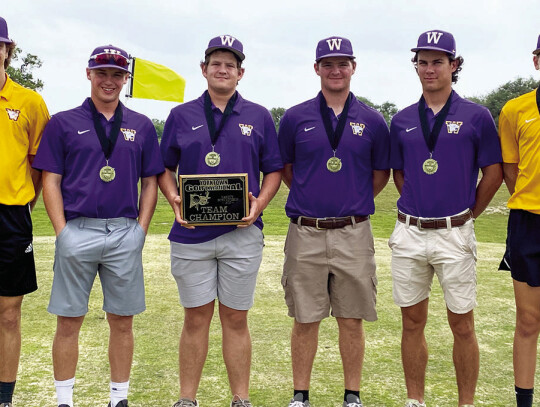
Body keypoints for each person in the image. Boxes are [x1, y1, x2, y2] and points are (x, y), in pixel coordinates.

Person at [32, 45, 163, 407]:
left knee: (122, 321)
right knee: (68, 320)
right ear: (88, 73)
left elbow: (151, 181)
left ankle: (118, 398)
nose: (109, 80)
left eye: (117, 74)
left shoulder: (140, 125)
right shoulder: (63, 122)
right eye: (102, 72)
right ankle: (64, 401)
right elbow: (50, 180)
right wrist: (62, 233)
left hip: (124, 231)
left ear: (126, 79)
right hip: (78, 229)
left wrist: (140, 230)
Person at [158, 35, 282, 407]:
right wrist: (175, 199)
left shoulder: (259, 115)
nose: (223, 69)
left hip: (241, 235)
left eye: (230, 64)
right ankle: (187, 398)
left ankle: (240, 398)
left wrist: (259, 203)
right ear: (204, 69)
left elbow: (273, 169)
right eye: (216, 63)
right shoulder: (181, 115)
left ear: (240, 73)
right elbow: (164, 167)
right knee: (195, 319)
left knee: (235, 318)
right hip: (191, 234)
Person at [388, 30, 503, 407]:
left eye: (438, 61)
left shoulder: (476, 116)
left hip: (455, 233)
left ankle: (465, 403)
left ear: (454, 66)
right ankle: (414, 400)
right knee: (411, 322)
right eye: (423, 61)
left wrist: (471, 212)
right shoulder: (402, 119)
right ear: (415, 66)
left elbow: (493, 172)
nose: (429, 68)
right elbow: (400, 175)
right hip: (409, 232)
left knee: (462, 324)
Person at [278, 36, 390, 407]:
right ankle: (300, 394)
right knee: (305, 318)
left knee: (351, 317)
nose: (336, 70)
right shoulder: (295, 117)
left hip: (354, 232)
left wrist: (350, 203)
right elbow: (288, 170)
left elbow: (380, 175)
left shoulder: (373, 120)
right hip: (305, 230)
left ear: (354, 67)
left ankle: (352, 394)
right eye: (327, 64)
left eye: (343, 63)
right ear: (316, 69)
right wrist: (315, 198)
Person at [0, 15, 50, 407]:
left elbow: (39, 164)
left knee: (9, 312)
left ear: (7, 50)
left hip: (10, 216)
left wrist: (21, 201)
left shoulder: (30, 102)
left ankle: (4, 397)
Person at [498, 34, 540, 407]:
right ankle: (524, 402)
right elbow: (510, 168)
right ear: (536, 60)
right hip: (529, 224)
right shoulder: (515, 109)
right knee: (529, 321)